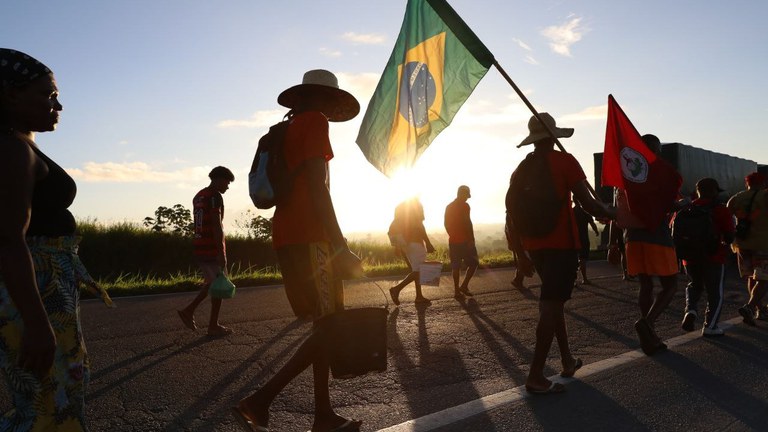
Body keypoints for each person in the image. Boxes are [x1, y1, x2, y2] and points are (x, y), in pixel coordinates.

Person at [233, 69, 364, 432]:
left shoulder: (285, 129)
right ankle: (260, 401)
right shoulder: (314, 122)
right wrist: (340, 245)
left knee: (323, 326)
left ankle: (323, 415)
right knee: (331, 326)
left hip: (287, 235)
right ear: (325, 98)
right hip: (313, 238)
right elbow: (319, 188)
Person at [0, 48, 112, 430]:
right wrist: (36, 323)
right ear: (11, 94)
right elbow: (8, 240)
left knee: (55, 395)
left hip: (45, 287)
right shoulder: (12, 149)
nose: (58, 105)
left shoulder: (21, 143)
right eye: (49, 95)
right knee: (50, 403)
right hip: (33, 290)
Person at [506, 113, 615, 394]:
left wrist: (520, 254)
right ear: (554, 137)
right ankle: (536, 376)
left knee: (554, 304)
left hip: (535, 248)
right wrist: (611, 212)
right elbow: (588, 203)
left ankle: (567, 359)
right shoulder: (565, 161)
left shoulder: (521, 168)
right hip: (562, 246)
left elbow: (511, 213)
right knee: (550, 306)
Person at [608, 134, 681, 356]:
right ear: (655, 150)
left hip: (632, 237)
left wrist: (612, 244)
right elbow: (666, 205)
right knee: (670, 285)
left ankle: (650, 336)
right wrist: (682, 205)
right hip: (656, 235)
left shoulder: (625, 177)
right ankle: (647, 323)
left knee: (646, 285)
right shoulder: (656, 173)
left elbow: (616, 213)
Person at [177, 166, 235, 337]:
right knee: (218, 285)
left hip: (199, 245)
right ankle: (211, 324)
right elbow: (217, 225)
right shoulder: (214, 197)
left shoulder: (198, 196)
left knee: (212, 283)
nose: (228, 187)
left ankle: (192, 313)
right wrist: (221, 252)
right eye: (227, 182)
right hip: (211, 247)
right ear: (218, 179)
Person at [679, 178, 734, 336]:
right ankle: (710, 326)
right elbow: (729, 236)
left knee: (694, 285)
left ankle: (691, 310)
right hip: (714, 256)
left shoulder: (688, 208)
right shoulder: (720, 209)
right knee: (715, 292)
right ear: (714, 191)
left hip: (689, 257)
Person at [727, 172, 768, 326]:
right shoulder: (765, 196)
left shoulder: (736, 198)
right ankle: (750, 307)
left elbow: (727, 217)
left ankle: (760, 310)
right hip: (763, 244)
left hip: (742, 245)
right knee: (763, 279)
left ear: (747, 184)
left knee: (751, 277)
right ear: (763, 183)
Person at [388, 197, 436, 306]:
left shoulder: (403, 209)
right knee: (418, 271)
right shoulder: (416, 207)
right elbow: (420, 227)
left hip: (406, 244)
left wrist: (398, 247)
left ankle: (419, 296)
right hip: (416, 243)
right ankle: (396, 289)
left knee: (416, 270)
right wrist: (428, 243)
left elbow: (400, 228)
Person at [444, 185, 479, 298]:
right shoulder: (465, 206)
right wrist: (471, 239)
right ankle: (464, 286)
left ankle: (456, 291)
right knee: (474, 263)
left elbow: (446, 224)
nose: (467, 198)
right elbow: (467, 223)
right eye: (466, 195)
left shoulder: (449, 206)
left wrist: (452, 235)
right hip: (465, 241)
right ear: (462, 194)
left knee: (456, 266)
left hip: (453, 241)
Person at [573, 199, 599, 285]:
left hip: (573, 238)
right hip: (583, 237)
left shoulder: (572, 212)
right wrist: (596, 231)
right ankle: (584, 279)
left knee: (573, 258)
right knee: (583, 258)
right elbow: (592, 223)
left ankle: (573, 280)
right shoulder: (585, 211)